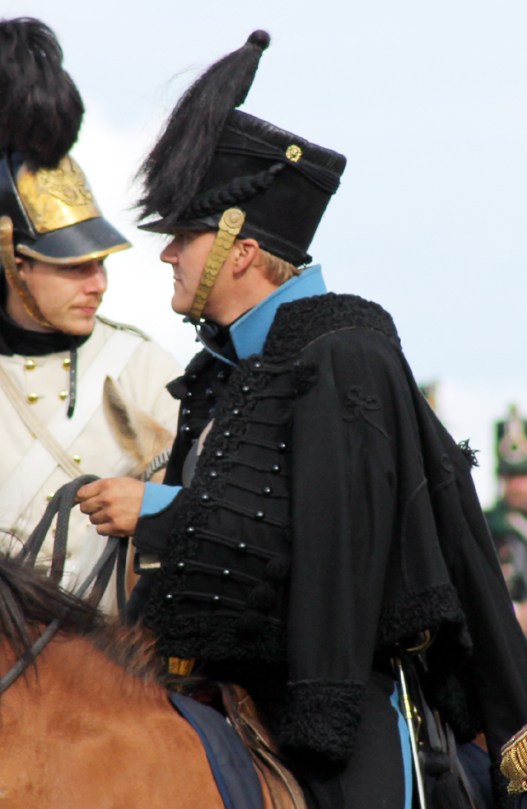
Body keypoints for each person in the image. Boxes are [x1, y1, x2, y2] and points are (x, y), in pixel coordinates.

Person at [77, 30, 527, 808]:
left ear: (239, 250)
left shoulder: (343, 353)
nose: (167, 255)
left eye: (182, 237)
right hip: (221, 685)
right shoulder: (223, 367)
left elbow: (332, 541)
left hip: (341, 705)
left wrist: (160, 513)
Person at [0, 17, 181, 605]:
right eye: (73, 266)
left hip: (107, 656)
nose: (98, 284)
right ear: (14, 262)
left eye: (99, 263)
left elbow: (208, 508)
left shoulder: (143, 367)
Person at [485, 405, 527, 634]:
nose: (517, 485)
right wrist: (517, 613)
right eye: (510, 476)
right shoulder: (486, 528)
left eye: (523, 475)